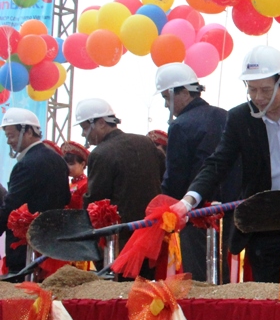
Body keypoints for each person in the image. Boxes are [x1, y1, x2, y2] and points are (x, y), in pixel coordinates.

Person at [177, 46, 280, 282]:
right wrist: (189, 200)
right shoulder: (239, 118)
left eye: (266, 89)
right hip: (263, 216)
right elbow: (218, 162)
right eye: (252, 90)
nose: (259, 98)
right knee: (267, 292)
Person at [156, 62, 238, 281]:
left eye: (166, 98)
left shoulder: (180, 125)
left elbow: (175, 176)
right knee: (230, 280)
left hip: (196, 214)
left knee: (201, 282)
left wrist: (171, 206)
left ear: (180, 93)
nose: (166, 106)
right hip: (231, 213)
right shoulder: (227, 116)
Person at [78, 98, 165, 254]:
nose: (84, 134)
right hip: (152, 233)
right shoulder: (145, 142)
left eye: (85, 128)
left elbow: (96, 200)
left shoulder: (100, 153)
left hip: (119, 238)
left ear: (101, 123)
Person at [0, 109, 70, 275]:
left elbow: (11, 206)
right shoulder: (57, 159)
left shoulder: (25, 165)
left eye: (11, 136)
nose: (9, 141)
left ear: (28, 131)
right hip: (53, 247)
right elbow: (66, 197)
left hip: (26, 250)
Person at [61, 141, 89, 210]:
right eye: (66, 164)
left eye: (71, 164)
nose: (67, 167)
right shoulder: (70, 184)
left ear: (82, 164)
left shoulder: (86, 184)